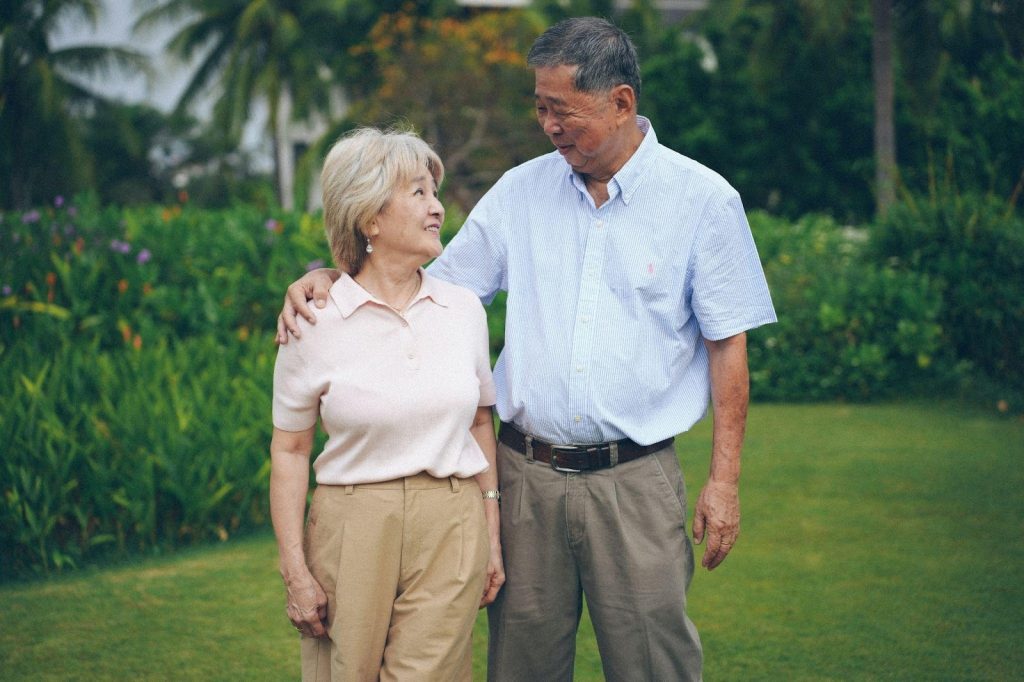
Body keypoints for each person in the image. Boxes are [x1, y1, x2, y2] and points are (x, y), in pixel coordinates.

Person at [278, 17, 776, 682]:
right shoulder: (519, 192)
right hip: (525, 480)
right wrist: (331, 274)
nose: (549, 125)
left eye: (562, 109)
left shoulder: (704, 201)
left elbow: (728, 348)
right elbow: (423, 282)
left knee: (655, 664)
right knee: (521, 666)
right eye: (540, 107)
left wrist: (724, 483)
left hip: (635, 479)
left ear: (622, 102)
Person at [269, 126, 504, 682]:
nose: (438, 208)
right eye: (419, 193)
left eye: (435, 193)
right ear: (369, 218)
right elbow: (291, 450)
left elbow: (478, 422)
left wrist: (490, 535)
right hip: (352, 523)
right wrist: (294, 570)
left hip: (452, 519)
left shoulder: (464, 309)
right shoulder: (312, 320)